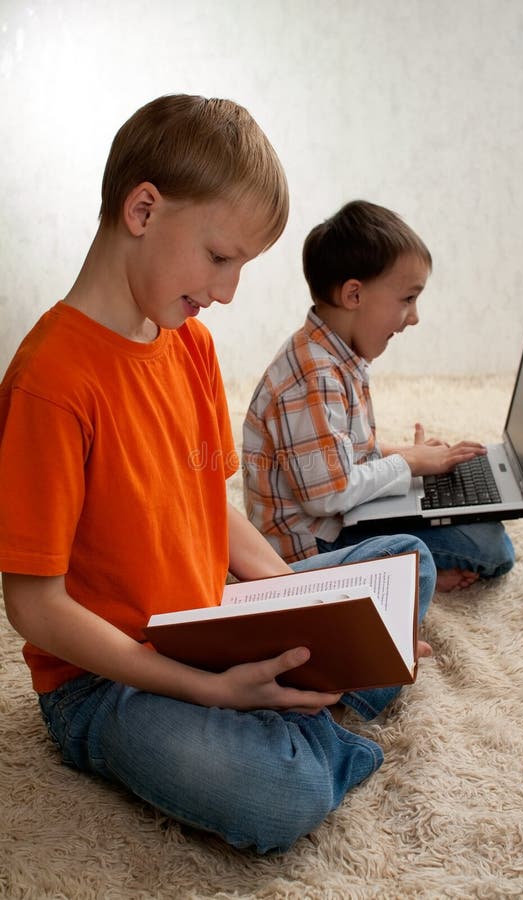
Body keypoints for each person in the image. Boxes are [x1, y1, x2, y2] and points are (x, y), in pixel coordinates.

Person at [0, 97, 436, 855]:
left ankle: (303, 685)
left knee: (411, 564)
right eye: (221, 258)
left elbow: (214, 508)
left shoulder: (188, 345)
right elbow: (36, 607)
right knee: (280, 796)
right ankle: (304, 718)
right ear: (143, 209)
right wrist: (206, 688)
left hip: (212, 620)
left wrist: (303, 603)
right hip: (107, 682)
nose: (228, 292)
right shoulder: (51, 382)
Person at [242, 200, 515, 591]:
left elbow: (344, 451)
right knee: (492, 547)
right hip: (315, 546)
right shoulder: (313, 375)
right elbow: (330, 495)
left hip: (342, 520)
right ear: (354, 294)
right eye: (408, 298)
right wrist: (410, 464)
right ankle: (386, 572)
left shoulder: (334, 356)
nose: (415, 316)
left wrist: (411, 457)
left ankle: (403, 563)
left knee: (474, 521)